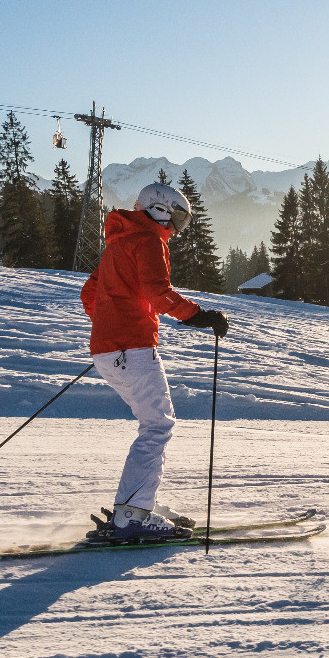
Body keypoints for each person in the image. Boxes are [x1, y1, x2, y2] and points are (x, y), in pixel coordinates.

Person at [81, 181, 229, 541]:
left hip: (112, 349)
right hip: (129, 348)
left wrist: (109, 332)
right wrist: (200, 315)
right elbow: (157, 293)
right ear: (158, 210)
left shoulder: (119, 241)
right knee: (158, 426)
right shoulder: (148, 241)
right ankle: (132, 514)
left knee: (154, 423)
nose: (178, 229)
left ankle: (140, 502)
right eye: (178, 219)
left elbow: (90, 293)